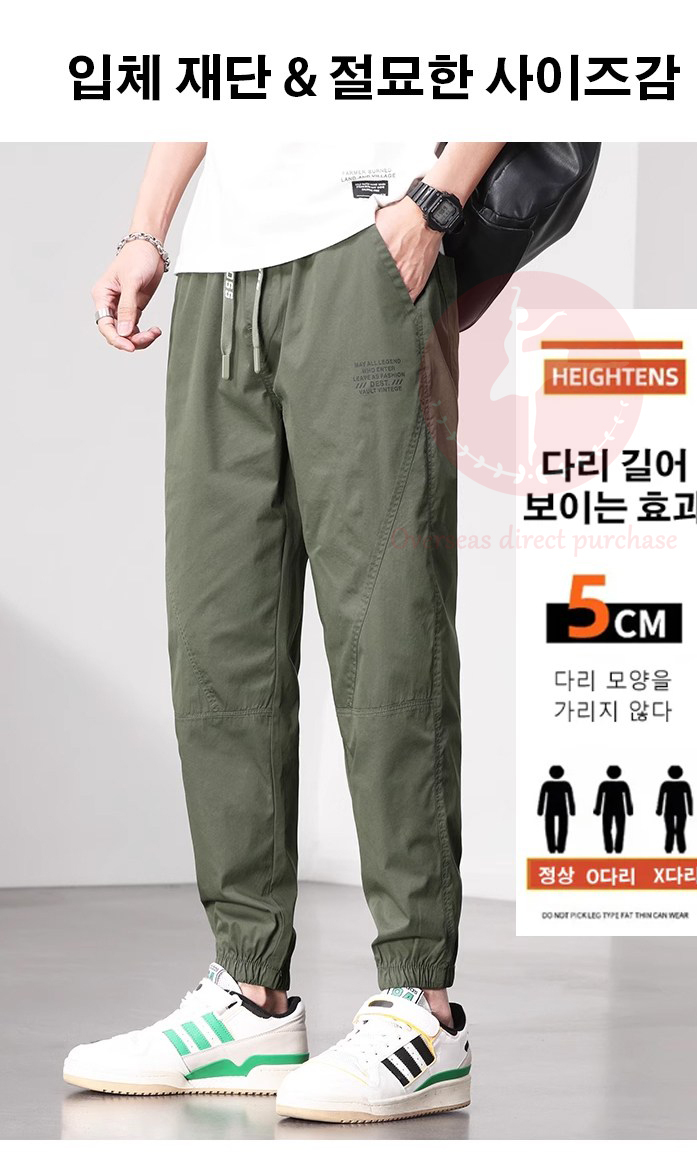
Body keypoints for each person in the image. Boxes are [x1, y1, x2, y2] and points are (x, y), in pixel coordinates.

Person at [62, 141, 505, 1123]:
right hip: (221, 275)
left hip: (366, 245)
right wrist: (148, 232)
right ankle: (248, 994)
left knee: (387, 627)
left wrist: (435, 204)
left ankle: (422, 1006)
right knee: (219, 633)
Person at [594, 765, 634, 854]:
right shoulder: (623, 784)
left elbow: (599, 798)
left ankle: (609, 849)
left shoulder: (604, 784)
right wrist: (629, 810)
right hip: (619, 809)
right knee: (620, 829)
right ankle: (618, 849)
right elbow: (628, 798)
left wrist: (597, 810)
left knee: (607, 829)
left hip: (608, 809)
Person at [537, 765, 576, 853]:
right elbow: (570, 798)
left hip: (550, 808)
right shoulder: (565, 784)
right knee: (562, 828)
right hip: (562, 808)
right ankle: (560, 848)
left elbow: (542, 798)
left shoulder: (547, 784)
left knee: (550, 828)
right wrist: (572, 811)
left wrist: (540, 811)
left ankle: (552, 848)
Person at [656, 765, 693, 854]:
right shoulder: (684, 784)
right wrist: (690, 811)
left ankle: (669, 849)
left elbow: (661, 798)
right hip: (681, 810)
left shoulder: (665, 784)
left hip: (669, 810)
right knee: (680, 830)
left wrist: (659, 810)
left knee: (670, 830)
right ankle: (681, 849)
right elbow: (689, 798)